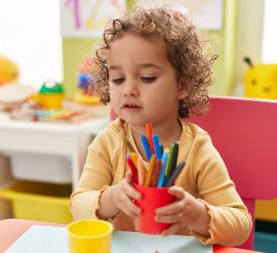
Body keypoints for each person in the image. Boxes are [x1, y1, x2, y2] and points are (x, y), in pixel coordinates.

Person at [70, 7, 252, 246]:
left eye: (147, 78)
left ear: (182, 86)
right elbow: (77, 205)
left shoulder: (197, 148)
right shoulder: (108, 142)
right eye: (118, 79)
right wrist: (112, 198)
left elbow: (241, 226)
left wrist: (197, 214)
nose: (129, 90)